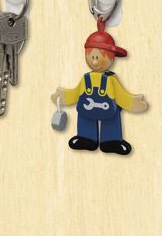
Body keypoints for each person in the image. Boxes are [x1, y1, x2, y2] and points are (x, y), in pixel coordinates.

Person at [51, 23, 148, 155]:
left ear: (111, 58)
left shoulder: (111, 79)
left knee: (112, 119)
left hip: (109, 110)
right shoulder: (85, 78)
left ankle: (111, 141)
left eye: (99, 57)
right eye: (92, 57)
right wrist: (63, 97)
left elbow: (121, 96)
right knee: (84, 117)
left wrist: (133, 103)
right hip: (87, 110)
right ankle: (86, 138)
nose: (95, 62)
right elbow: (75, 93)